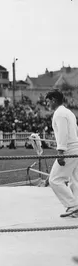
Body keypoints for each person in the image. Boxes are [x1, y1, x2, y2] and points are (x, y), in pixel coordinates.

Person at [45, 89, 78, 218]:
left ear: (54, 100)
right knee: (75, 179)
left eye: (48, 101)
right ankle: (76, 208)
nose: (47, 104)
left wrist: (61, 153)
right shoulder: (68, 112)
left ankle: (72, 205)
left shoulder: (59, 113)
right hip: (75, 147)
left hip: (68, 149)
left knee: (55, 180)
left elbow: (63, 133)